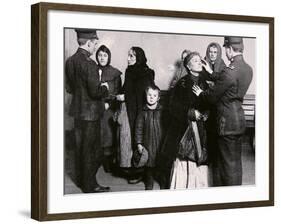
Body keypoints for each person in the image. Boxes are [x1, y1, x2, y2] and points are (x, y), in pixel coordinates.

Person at [192, 36, 253, 186]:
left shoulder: (229, 71)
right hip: (238, 120)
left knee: (227, 165)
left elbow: (212, 97)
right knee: (234, 162)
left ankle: (229, 197)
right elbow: (227, 79)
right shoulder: (247, 68)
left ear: (230, 49)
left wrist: (201, 93)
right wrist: (211, 72)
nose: (225, 53)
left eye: (226, 49)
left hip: (226, 123)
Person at [65, 29, 110, 193]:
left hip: (77, 112)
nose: (95, 47)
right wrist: (104, 88)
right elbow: (95, 92)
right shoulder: (89, 64)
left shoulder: (70, 61)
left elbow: (69, 87)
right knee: (92, 150)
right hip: (91, 114)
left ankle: (82, 181)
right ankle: (90, 185)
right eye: (95, 43)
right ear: (89, 42)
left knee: (80, 148)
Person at [160, 51, 209, 189]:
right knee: (185, 159)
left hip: (201, 129)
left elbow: (209, 102)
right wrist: (190, 112)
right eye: (195, 61)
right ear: (188, 66)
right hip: (185, 129)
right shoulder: (181, 83)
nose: (199, 62)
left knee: (200, 158)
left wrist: (206, 113)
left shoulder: (204, 82)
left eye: (200, 60)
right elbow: (173, 106)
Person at [116, 46, 155, 183]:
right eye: (128, 55)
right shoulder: (129, 71)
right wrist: (121, 95)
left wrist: (125, 96)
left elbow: (145, 93)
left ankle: (142, 172)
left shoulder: (147, 72)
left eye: (131, 56)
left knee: (141, 139)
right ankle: (133, 170)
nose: (128, 58)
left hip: (142, 111)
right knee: (129, 139)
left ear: (138, 57)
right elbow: (127, 89)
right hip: (129, 110)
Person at [96, 45, 122, 173]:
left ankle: (107, 162)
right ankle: (96, 160)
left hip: (108, 109)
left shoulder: (115, 73)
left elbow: (118, 92)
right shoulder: (91, 69)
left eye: (105, 55)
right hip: (94, 108)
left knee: (108, 136)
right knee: (95, 135)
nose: (102, 58)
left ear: (109, 57)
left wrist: (109, 104)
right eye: (100, 55)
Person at [135, 85, 164, 190]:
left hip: (161, 141)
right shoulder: (142, 112)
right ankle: (149, 181)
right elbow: (138, 128)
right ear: (145, 96)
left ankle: (162, 180)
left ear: (158, 98)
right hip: (148, 142)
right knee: (149, 164)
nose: (151, 97)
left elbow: (166, 126)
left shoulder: (162, 111)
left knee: (161, 162)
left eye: (154, 95)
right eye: (149, 95)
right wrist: (139, 143)